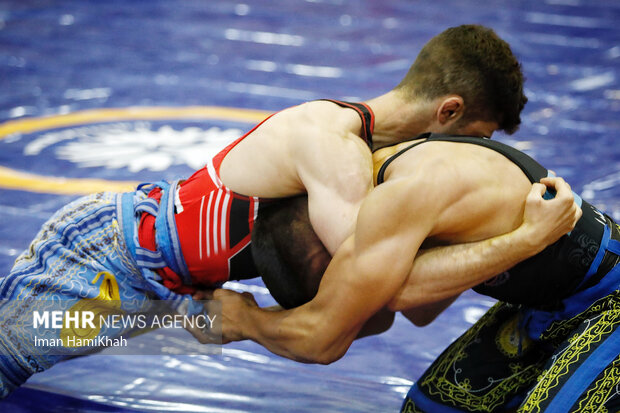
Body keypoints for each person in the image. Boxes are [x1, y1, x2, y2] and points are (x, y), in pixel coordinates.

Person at [0, 24, 566, 399]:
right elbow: (389, 292)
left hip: (178, 295)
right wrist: (523, 239)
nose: (476, 158)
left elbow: (400, 313)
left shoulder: (376, 164)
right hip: (115, 257)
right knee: (6, 358)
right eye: (478, 139)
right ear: (448, 110)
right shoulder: (332, 147)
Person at [211, 132, 616, 412]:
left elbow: (326, 338)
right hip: (541, 308)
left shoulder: (405, 191)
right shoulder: (373, 195)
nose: (350, 297)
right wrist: (525, 240)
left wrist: (248, 320)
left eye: (339, 282)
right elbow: (415, 310)